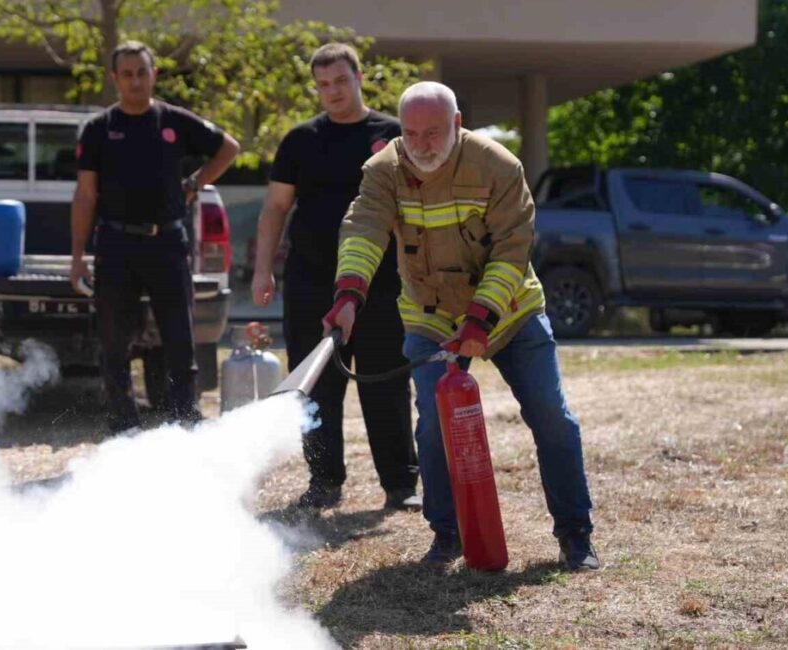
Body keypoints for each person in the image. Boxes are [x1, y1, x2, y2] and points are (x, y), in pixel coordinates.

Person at [324, 81, 599, 570]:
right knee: (433, 428)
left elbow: (512, 250)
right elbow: (364, 226)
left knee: (552, 418)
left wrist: (479, 319)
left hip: (509, 312)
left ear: (457, 124)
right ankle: (446, 534)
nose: (421, 145)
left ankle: (575, 534)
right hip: (429, 317)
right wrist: (349, 295)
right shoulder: (384, 169)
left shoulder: (498, 167)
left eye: (433, 133)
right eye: (411, 134)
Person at [252, 43, 419, 511]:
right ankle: (324, 482)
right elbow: (275, 209)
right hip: (310, 281)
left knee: (385, 383)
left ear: (360, 77)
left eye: (340, 81)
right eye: (323, 85)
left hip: (381, 284)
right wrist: (264, 269)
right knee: (316, 386)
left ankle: (400, 486)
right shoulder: (300, 140)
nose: (332, 92)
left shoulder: (392, 134)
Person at [69, 41, 240, 431]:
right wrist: (78, 255)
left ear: (154, 74)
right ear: (115, 78)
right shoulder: (98, 129)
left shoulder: (174, 120)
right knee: (114, 339)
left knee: (179, 335)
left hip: (166, 241)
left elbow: (228, 148)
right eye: (127, 74)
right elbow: (85, 194)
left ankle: (184, 418)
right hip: (115, 242)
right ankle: (123, 421)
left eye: (142, 72)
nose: (135, 81)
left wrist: (195, 182)